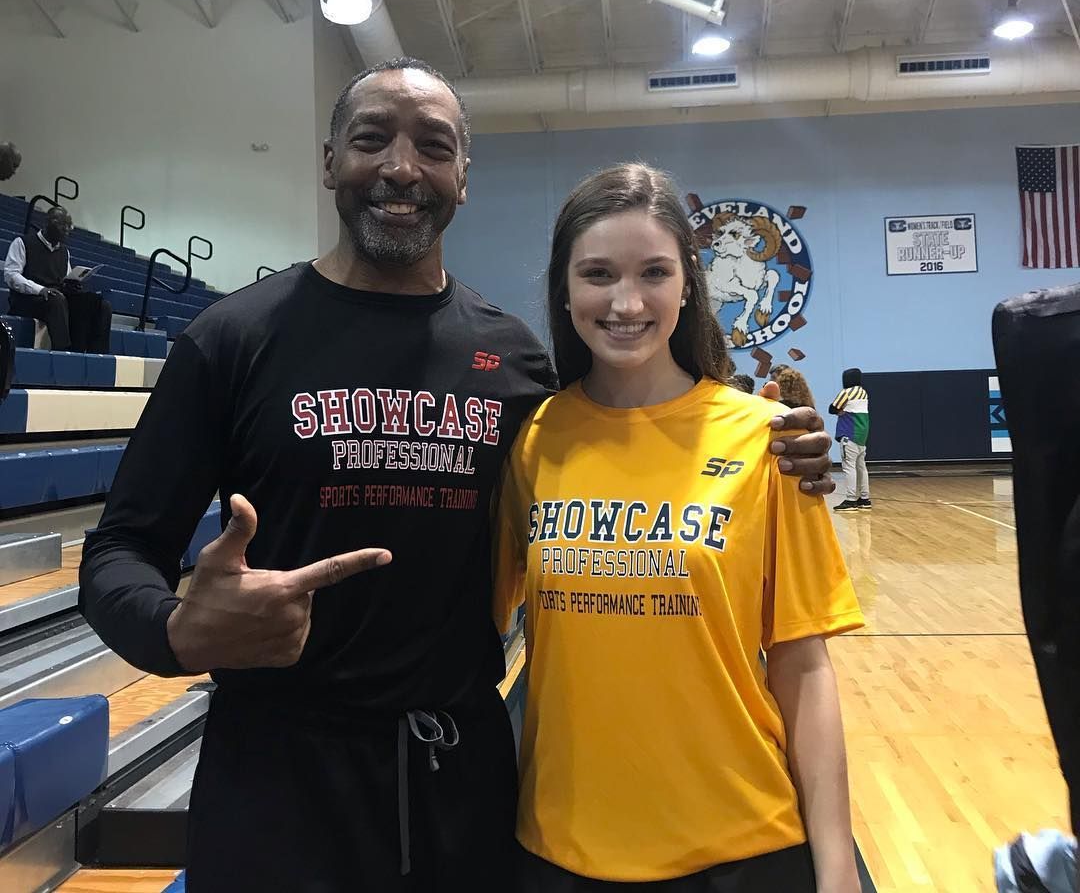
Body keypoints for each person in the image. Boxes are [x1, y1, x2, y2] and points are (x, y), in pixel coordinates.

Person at [79, 59, 836, 892]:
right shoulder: (231, 340)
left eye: (432, 147)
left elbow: (631, 453)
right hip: (276, 781)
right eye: (372, 140)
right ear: (329, 161)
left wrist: (780, 448)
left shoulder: (514, 365)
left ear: (462, 178)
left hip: (459, 784)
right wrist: (173, 629)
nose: (401, 167)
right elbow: (118, 552)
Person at [494, 164, 864, 893]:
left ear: (688, 284)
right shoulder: (532, 439)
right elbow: (472, 627)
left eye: (653, 272)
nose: (626, 301)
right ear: (564, 291)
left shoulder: (768, 441)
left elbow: (804, 668)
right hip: (559, 846)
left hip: (740, 845)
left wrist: (838, 868)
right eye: (597, 273)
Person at [3, 205, 112, 353]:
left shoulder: (64, 252)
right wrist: (41, 290)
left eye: (69, 225)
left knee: (99, 304)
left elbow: (64, 279)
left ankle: (96, 354)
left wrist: (71, 284)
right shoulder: (23, 242)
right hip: (28, 299)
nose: (67, 229)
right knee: (57, 299)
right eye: (63, 224)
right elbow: (11, 275)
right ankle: (63, 352)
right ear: (48, 223)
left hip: (55, 298)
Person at [830, 368, 871, 511]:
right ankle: (865, 499)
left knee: (849, 467)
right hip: (862, 436)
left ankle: (851, 499)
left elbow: (832, 408)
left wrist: (841, 411)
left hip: (849, 434)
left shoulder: (846, 392)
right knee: (861, 467)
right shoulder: (863, 392)